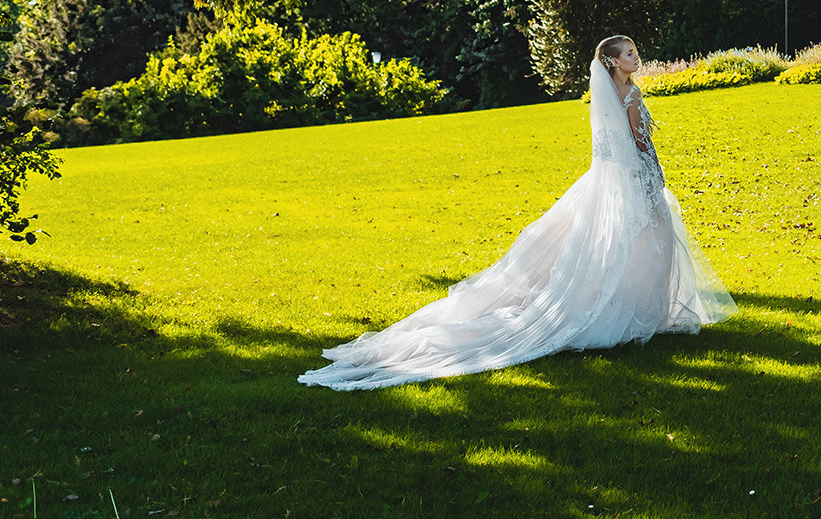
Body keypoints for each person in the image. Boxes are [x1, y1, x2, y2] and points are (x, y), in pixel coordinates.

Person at [298, 36, 736, 390]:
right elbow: (641, 140)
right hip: (635, 177)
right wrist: (655, 174)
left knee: (618, 240)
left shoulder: (603, 94)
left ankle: (631, 309)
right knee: (649, 237)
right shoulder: (632, 93)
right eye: (630, 54)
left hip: (608, 177)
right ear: (613, 63)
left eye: (635, 52)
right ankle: (640, 313)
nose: (636, 58)